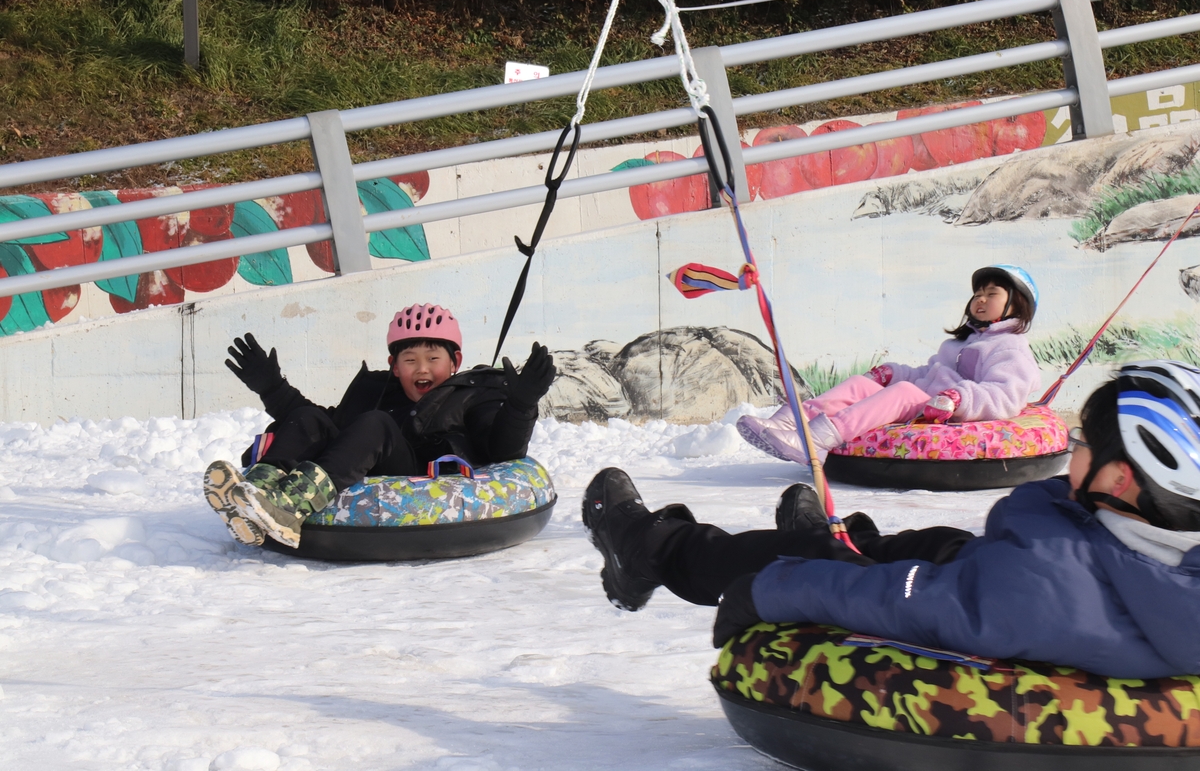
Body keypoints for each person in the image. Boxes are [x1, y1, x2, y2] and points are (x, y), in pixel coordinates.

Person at [583, 360, 1200, 679]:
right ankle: (825, 537)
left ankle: (651, 550)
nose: (1071, 445)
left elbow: (908, 602)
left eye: (1084, 442)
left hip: (986, 592)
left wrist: (771, 591)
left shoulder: (1045, 586)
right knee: (925, 542)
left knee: (813, 566)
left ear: (1121, 479)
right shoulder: (1155, 539)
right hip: (1010, 566)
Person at [204, 303, 556, 549]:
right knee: (308, 418)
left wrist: (521, 404)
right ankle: (257, 494)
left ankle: (289, 507)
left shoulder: (473, 394)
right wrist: (271, 387)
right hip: (368, 461)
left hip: (420, 474)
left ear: (454, 363)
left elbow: (503, 450)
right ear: (394, 365)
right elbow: (325, 425)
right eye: (410, 360)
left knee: (377, 425)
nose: (422, 369)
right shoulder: (376, 393)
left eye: (433, 359)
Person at [738, 265, 1041, 464]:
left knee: (904, 393)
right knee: (862, 384)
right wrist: (894, 372)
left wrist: (960, 398)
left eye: (992, 294)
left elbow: (1005, 395)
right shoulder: (963, 342)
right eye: (977, 294)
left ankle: (816, 440)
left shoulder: (1010, 347)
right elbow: (930, 374)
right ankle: (790, 421)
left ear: (1016, 304)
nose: (980, 300)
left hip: (952, 412)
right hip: (932, 397)